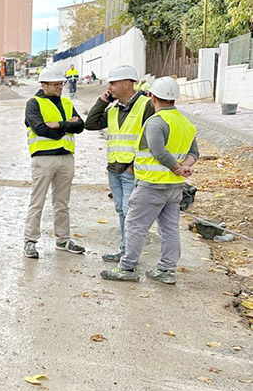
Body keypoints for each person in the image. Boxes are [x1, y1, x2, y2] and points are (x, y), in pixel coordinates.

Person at [102, 77, 198, 285]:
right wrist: (184, 167)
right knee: (170, 228)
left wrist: (176, 167)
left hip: (152, 185)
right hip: (174, 187)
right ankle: (166, 269)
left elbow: (158, 151)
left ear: (151, 96)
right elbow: (193, 152)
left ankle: (127, 268)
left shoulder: (156, 122)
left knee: (135, 226)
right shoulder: (185, 123)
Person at [84, 64, 154, 262]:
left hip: (131, 170)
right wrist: (102, 100)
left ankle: (129, 254)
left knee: (130, 213)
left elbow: (150, 138)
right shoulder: (114, 108)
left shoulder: (146, 104)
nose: (110, 87)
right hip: (114, 168)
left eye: (113, 83)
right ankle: (125, 250)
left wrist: (134, 166)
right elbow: (91, 124)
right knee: (122, 211)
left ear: (126, 84)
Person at [23, 67, 86, 258]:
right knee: (37, 201)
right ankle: (30, 241)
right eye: (56, 84)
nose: (60, 87)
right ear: (44, 85)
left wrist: (59, 125)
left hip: (65, 158)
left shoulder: (66, 103)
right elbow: (40, 128)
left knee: (62, 202)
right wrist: (67, 127)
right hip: (43, 158)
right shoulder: (33, 104)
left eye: (61, 83)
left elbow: (80, 126)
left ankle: (63, 239)